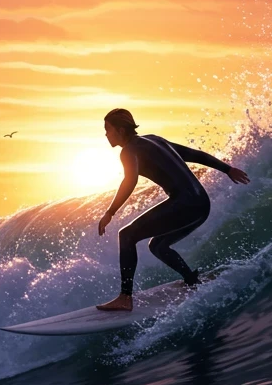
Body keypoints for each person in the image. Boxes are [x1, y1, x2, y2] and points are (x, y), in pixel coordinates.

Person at [96, 107, 250, 312]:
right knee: (158, 246)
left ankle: (125, 297)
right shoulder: (155, 140)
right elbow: (195, 155)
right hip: (201, 204)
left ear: (121, 131)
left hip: (185, 204)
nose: (106, 134)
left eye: (108, 129)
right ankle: (191, 279)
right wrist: (227, 169)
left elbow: (130, 180)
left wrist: (110, 212)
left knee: (126, 235)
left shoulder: (129, 151)